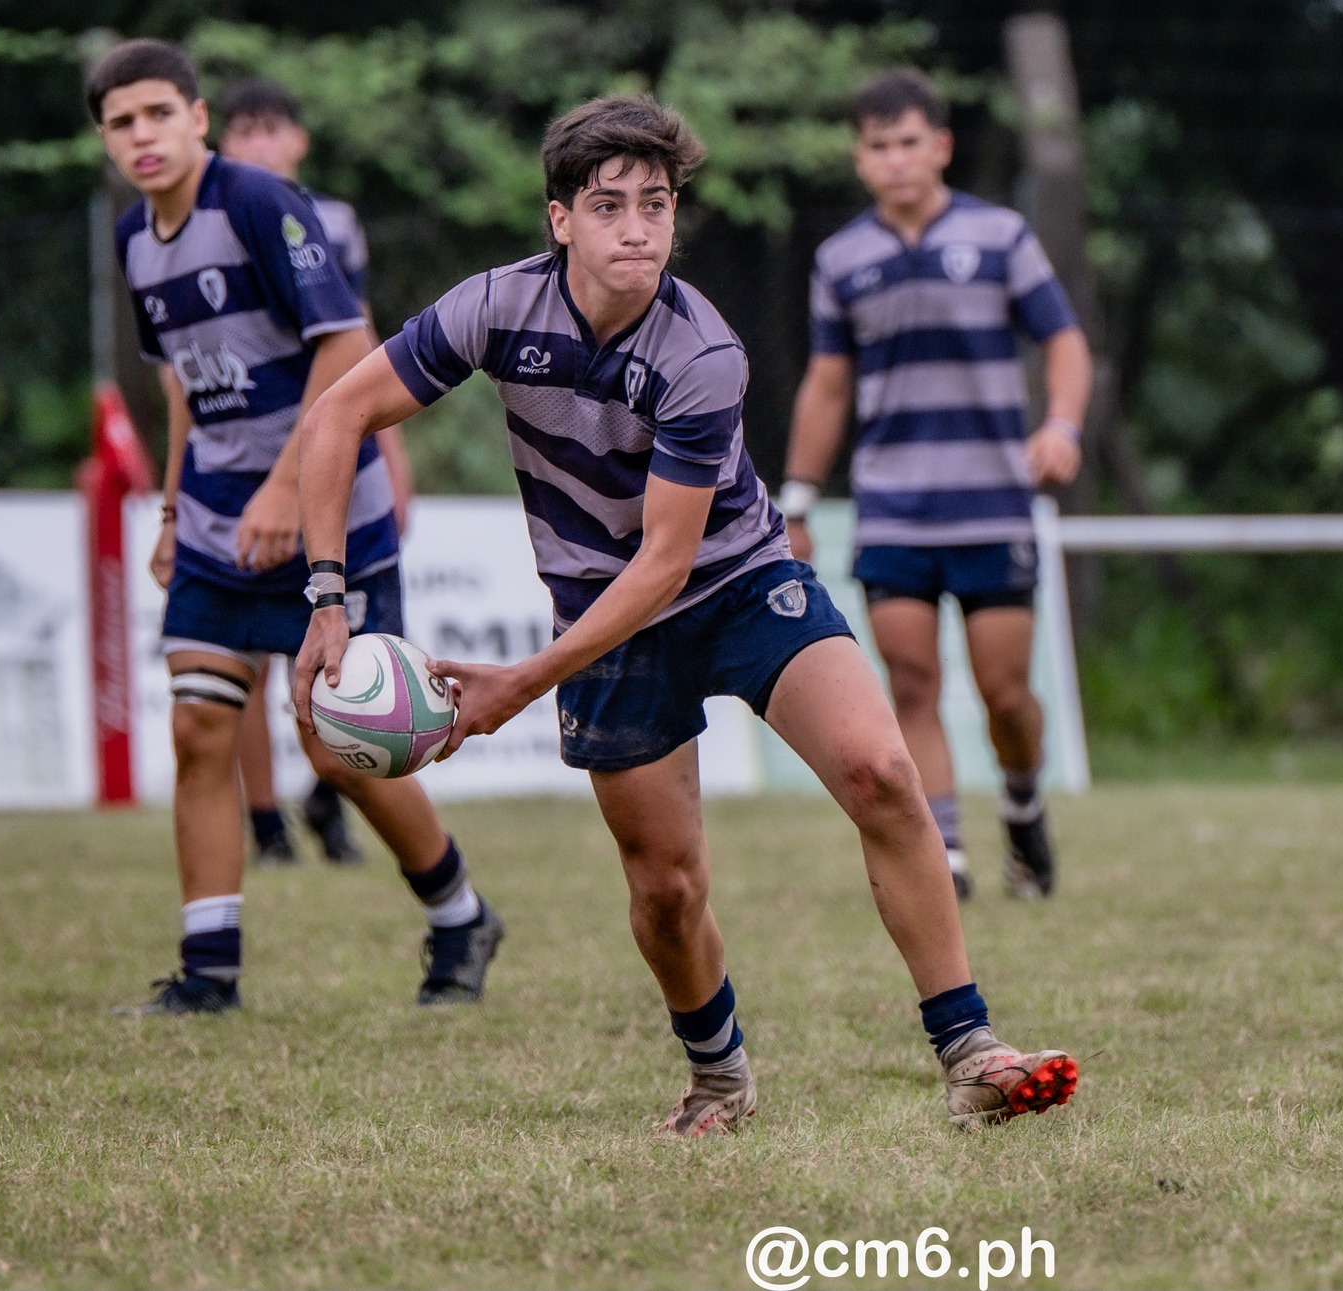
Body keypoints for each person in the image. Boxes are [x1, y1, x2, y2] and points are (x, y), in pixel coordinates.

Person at [292, 95, 1079, 1134]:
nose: (637, 228)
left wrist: (520, 683)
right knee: (665, 889)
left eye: (656, 205)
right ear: (559, 220)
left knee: (881, 773)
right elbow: (337, 413)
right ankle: (718, 1076)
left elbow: (665, 565)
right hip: (600, 611)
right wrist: (327, 597)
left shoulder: (700, 350)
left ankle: (970, 1051)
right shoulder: (493, 308)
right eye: (608, 205)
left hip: (737, 582)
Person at [90, 39, 505, 1013]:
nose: (142, 135)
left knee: (337, 748)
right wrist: (170, 510)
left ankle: (460, 915)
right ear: (105, 139)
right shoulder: (133, 237)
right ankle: (208, 974)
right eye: (121, 122)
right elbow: (181, 384)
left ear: (197, 118)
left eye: (159, 113)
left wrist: (285, 491)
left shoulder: (259, 203)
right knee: (199, 726)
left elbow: (348, 345)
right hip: (214, 522)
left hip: (327, 516)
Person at [779, 70, 1092, 901]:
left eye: (909, 142)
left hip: (992, 504)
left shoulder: (1000, 236)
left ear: (941, 147)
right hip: (893, 509)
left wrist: (1061, 425)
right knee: (913, 684)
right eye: (878, 146)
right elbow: (828, 385)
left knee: (1005, 694)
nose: (895, 159)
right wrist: (798, 498)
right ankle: (945, 851)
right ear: (859, 158)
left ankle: (1022, 804)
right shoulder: (842, 259)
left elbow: (1064, 341)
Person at [214, 77, 415, 868]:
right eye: (243, 130)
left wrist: (393, 455)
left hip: (331, 459)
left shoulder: (333, 222)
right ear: (221, 143)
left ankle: (330, 797)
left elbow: (360, 340)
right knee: (248, 661)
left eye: (273, 128)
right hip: (243, 466)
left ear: (299, 140)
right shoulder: (201, 228)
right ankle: (266, 825)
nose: (259, 143)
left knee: (352, 653)